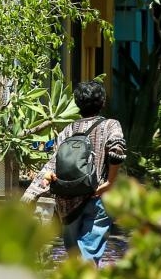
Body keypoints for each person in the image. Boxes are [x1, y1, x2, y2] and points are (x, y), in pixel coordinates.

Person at [22, 79, 126, 266]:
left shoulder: (67, 131)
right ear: (102, 102)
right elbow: (116, 152)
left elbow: (53, 164)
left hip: (67, 202)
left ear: (77, 104)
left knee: (73, 256)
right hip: (98, 197)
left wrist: (32, 193)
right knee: (89, 255)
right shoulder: (111, 125)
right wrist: (110, 183)